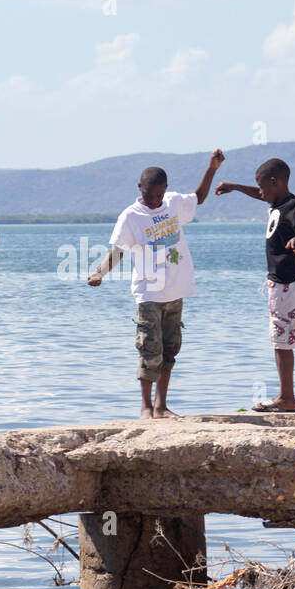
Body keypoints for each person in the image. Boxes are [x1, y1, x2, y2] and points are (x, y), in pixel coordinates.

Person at [88, 149, 224, 418]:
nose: (154, 200)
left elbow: (199, 197)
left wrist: (212, 168)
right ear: (140, 188)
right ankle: (146, 408)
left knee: (170, 351)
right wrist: (99, 273)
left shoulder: (173, 203)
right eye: (149, 195)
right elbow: (119, 251)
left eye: (159, 195)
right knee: (150, 349)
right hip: (148, 292)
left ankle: (162, 406)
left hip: (175, 290)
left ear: (165, 190)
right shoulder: (131, 216)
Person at [216, 157, 295, 412]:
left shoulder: (293, 206)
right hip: (281, 283)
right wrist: (236, 187)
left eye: (262, 186)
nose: (260, 193)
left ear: (275, 182)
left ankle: (286, 399)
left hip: (287, 283)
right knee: (282, 339)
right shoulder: (277, 203)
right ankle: (287, 397)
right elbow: (261, 196)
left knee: (281, 341)